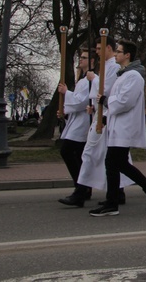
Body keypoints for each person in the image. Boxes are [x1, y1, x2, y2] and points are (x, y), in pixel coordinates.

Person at [89, 39, 146, 217]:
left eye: (119, 52)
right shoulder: (124, 75)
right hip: (117, 125)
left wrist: (105, 101)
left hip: (124, 127)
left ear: (127, 55)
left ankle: (113, 202)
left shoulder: (134, 76)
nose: (116, 54)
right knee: (117, 163)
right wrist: (106, 115)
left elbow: (125, 102)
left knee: (113, 162)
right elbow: (119, 100)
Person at [71, 36, 134, 207]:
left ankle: (81, 192)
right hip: (101, 114)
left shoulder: (113, 67)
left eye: (99, 49)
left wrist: (93, 79)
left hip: (106, 117)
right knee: (102, 156)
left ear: (109, 48)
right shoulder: (106, 67)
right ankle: (116, 192)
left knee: (93, 154)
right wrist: (93, 105)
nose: (97, 52)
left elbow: (107, 90)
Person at [56, 49, 94, 207]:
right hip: (77, 120)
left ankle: (81, 187)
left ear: (92, 62)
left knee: (67, 150)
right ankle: (84, 187)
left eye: (84, 58)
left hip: (83, 122)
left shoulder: (90, 80)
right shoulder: (82, 80)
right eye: (81, 57)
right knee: (79, 155)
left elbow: (82, 101)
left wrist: (66, 93)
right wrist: (65, 112)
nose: (81, 60)